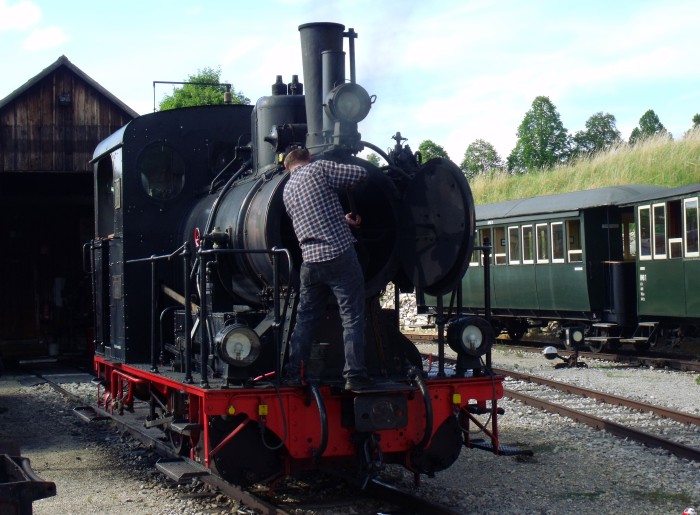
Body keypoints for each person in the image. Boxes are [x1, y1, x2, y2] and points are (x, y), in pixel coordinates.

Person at [282, 147, 373, 391]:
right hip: (338, 253)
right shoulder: (319, 168)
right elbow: (359, 174)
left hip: (310, 261)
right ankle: (354, 374)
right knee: (352, 316)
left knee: (305, 320)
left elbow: (312, 216)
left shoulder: (287, 190)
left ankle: (294, 373)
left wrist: (342, 219)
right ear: (308, 158)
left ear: (286, 166)